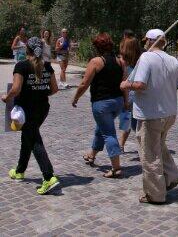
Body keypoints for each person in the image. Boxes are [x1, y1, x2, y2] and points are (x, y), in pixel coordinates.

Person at [120, 29, 178, 204]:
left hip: (150, 115)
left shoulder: (146, 58)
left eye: (146, 40)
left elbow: (140, 84)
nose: (144, 43)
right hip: (168, 114)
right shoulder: (173, 61)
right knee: (159, 146)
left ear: (151, 41)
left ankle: (155, 194)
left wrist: (126, 84)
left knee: (150, 154)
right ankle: (171, 177)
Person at [1, 37, 60, 195]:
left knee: (34, 140)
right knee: (28, 136)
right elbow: (54, 89)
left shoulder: (22, 66)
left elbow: (16, 89)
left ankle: (49, 177)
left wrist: (6, 98)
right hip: (42, 108)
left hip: (26, 110)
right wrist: (40, 92)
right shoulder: (47, 66)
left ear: (27, 50)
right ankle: (20, 171)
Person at [71, 33, 128, 178]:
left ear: (97, 47)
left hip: (102, 104)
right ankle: (91, 154)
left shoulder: (96, 62)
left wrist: (75, 98)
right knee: (101, 128)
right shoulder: (120, 62)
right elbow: (124, 84)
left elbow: (84, 83)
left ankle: (116, 168)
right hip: (117, 102)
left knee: (109, 133)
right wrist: (126, 102)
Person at [118, 36, 142, 152]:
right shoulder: (125, 61)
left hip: (133, 95)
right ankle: (121, 144)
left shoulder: (141, 61)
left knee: (132, 123)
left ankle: (143, 146)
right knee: (129, 122)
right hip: (132, 95)